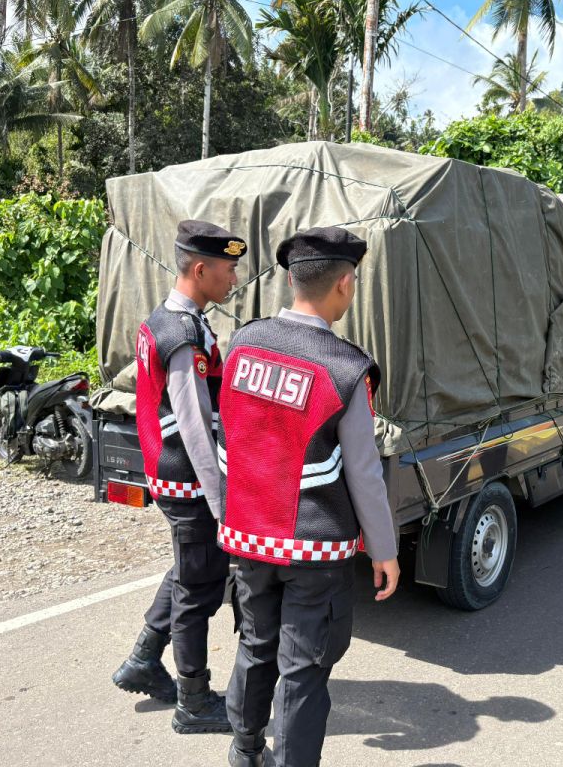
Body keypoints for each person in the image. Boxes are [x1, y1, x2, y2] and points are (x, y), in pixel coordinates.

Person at [217, 226, 400, 767]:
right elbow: (364, 472)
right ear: (344, 284)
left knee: (254, 645)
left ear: (294, 279)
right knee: (303, 669)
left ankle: (245, 749)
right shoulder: (345, 367)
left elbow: (230, 432)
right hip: (312, 547)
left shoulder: (243, 342)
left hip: (247, 536)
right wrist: (384, 550)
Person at [111, 219, 247, 734]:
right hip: (189, 477)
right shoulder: (183, 333)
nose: (234, 279)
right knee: (200, 589)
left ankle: (144, 659)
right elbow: (193, 425)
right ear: (200, 268)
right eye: (229, 269)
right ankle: (194, 702)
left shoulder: (168, 318)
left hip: (170, 473)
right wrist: (221, 501)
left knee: (189, 570)